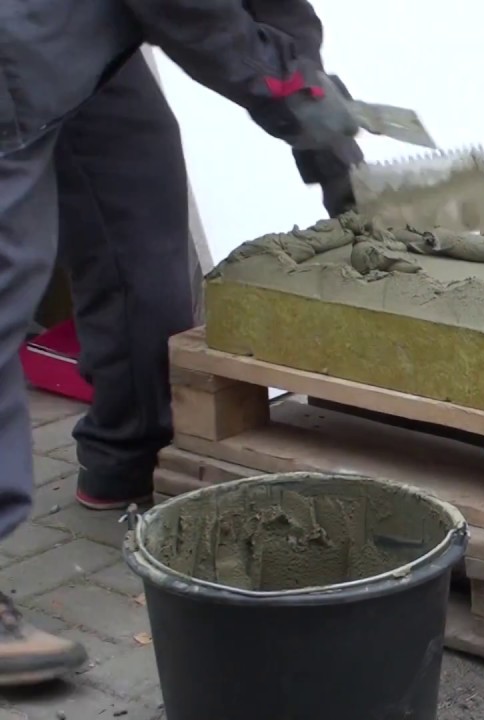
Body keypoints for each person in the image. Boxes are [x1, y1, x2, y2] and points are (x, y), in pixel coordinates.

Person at [0, 0, 359, 686]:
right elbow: (192, 12)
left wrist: (312, 97)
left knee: (136, 182)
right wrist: (299, 105)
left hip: (82, 28)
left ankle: (129, 452)